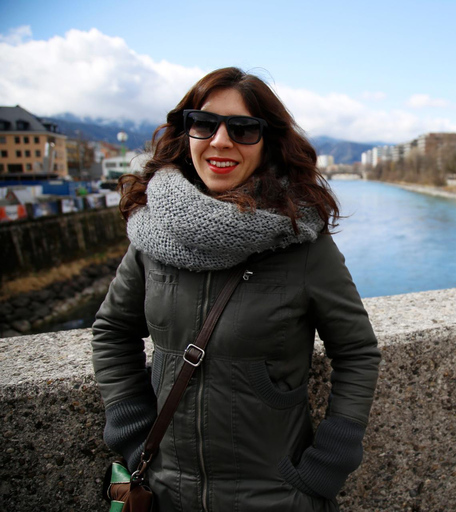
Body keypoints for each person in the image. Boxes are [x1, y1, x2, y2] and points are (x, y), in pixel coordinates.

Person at [92, 67, 381, 511]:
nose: (220, 141)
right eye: (204, 124)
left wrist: (329, 462)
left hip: (276, 497)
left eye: (244, 129)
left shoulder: (301, 240)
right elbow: (113, 330)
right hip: (167, 492)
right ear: (186, 133)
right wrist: (131, 432)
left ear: (268, 142)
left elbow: (357, 351)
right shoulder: (154, 235)